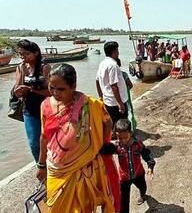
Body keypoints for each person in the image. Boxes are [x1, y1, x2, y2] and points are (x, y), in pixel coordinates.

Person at [36, 63, 117, 212]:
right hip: (56, 168)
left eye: (61, 89)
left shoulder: (90, 104)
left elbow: (108, 122)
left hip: (83, 166)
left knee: (82, 207)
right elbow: (43, 136)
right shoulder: (45, 105)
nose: (55, 93)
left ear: (73, 86)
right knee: (54, 206)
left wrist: (98, 147)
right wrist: (41, 165)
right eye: (51, 87)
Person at [14, 39, 51, 162]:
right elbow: (17, 92)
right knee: (34, 142)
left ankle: (54, 167)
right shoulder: (21, 67)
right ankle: (41, 169)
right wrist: (21, 85)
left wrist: (31, 90)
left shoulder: (44, 67)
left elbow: (52, 92)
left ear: (35, 53)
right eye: (20, 54)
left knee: (51, 140)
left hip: (48, 109)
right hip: (29, 110)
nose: (22, 57)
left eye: (25, 54)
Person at [113, 119, 155, 212]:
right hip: (124, 178)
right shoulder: (116, 146)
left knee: (142, 186)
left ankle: (143, 195)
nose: (123, 140)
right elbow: (105, 149)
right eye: (120, 138)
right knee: (123, 201)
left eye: (126, 137)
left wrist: (150, 166)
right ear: (116, 135)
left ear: (131, 133)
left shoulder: (138, 144)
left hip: (138, 174)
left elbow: (146, 154)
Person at [96, 41, 129, 134]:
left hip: (108, 101)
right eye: (117, 50)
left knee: (113, 124)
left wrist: (101, 96)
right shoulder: (113, 65)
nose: (118, 52)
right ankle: (122, 143)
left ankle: (115, 140)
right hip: (116, 102)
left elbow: (97, 81)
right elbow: (113, 85)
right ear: (114, 51)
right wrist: (120, 103)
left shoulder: (102, 64)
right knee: (122, 125)